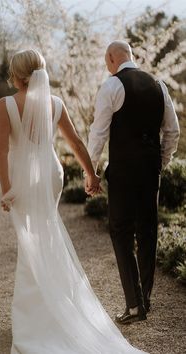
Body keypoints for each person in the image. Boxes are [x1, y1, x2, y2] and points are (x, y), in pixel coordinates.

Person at [0, 49, 147, 353]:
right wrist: (91, 175)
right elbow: (75, 142)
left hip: (23, 179)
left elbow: (0, 152)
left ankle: (37, 315)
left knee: (31, 241)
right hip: (51, 174)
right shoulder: (55, 103)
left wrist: (7, 189)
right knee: (46, 234)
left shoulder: (5, 105)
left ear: (16, 74)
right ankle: (56, 301)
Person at [87, 40, 180, 325]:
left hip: (124, 171)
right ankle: (145, 300)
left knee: (121, 231)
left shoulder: (112, 86)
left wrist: (91, 173)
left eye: (106, 62)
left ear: (113, 58)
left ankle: (134, 304)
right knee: (148, 232)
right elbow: (172, 132)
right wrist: (159, 163)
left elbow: (98, 134)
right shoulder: (159, 85)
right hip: (151, 171)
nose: (107, 67)